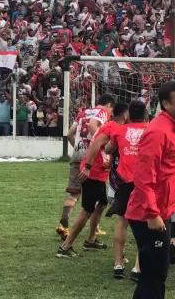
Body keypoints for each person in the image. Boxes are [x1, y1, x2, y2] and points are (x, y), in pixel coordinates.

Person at [126, 81, 175, 299]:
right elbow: (144, 177)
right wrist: (153, 213)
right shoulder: (157, 131)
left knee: (158, 271)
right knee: (154, 275)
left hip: (163, 211)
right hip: (148, 214)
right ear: (165, 104)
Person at [56, 102, 128, 258]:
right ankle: (65, 247)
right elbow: (96, 144)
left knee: (101, 203)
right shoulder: (112, 127)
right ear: (125, 115)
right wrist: (88, 166)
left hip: (98, 173)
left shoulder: (111, 126)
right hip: (92, 173)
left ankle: (91, 240)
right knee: (87, 210)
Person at [55, 93, 115, 240]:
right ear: (109, 106)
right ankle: (95, 229)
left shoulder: (83, 112)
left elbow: (70, 133)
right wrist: (100, 143)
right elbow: (93, 126)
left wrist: (76, 148)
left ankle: (63, 223)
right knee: (96, 194)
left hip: (77, 154)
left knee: (74, 194)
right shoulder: (103, 112)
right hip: (92, 156)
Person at [104, 100, 148, 279]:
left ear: (128, 115)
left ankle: (118, 265)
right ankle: (138, 267)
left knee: (122, 221)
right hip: (144, 181)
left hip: (124, 181)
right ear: (146, 115)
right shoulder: (151, 130)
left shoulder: (120, 130)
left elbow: (107, 148)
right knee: (144, 224)